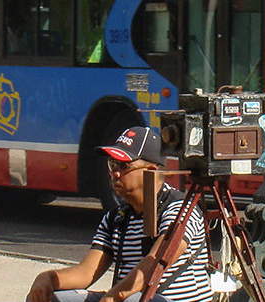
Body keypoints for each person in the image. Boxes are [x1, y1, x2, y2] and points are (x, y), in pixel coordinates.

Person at [26, 126, 212, 302]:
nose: (114, 173)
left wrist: (112, 297)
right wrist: (47, 279)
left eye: (123, 166)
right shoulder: (116, 218)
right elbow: (86, 273)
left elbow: (155, 262)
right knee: (55, 298)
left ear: (151, 171)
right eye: (112, 164)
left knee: (132, 298)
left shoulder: (181, 210)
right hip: (126, 298)